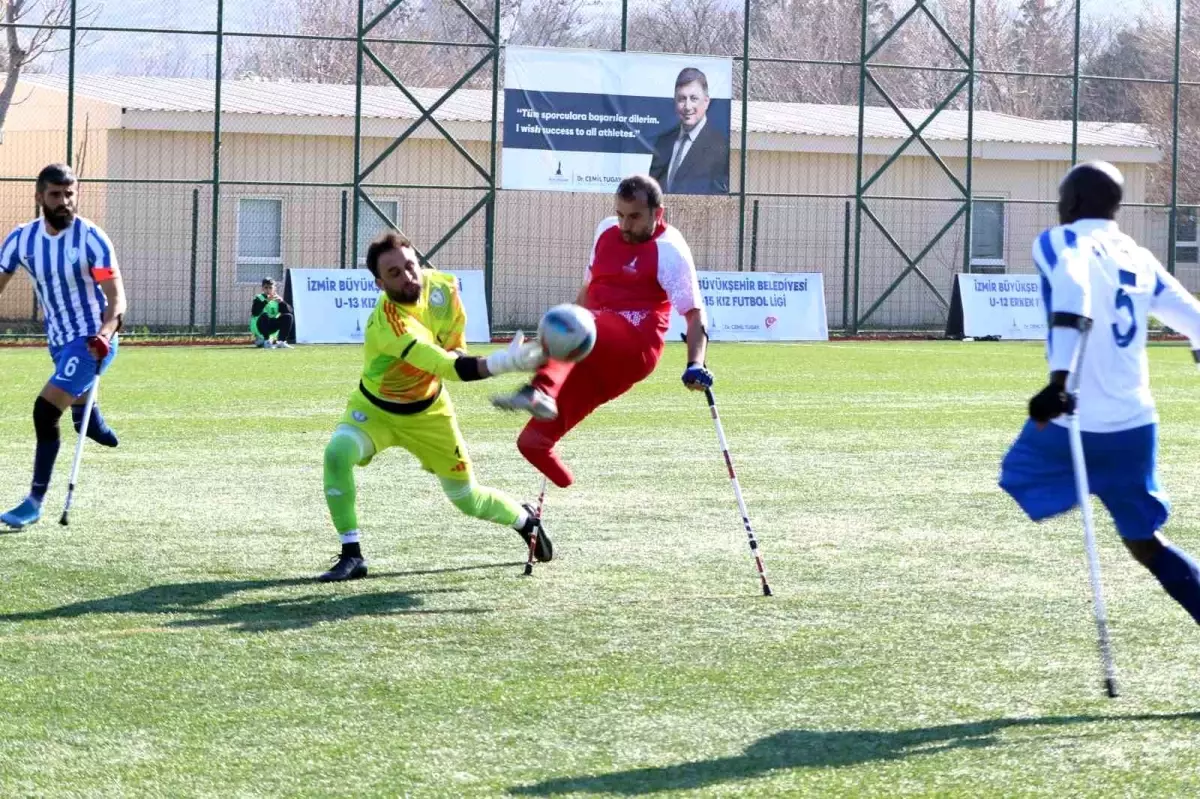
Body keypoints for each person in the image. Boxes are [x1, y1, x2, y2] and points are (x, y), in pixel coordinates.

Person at [999, 161, 1200, 626]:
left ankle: (1083, 486)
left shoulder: (1059, 240)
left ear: (1071, 202)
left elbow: (1073, 290)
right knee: (1145, 543)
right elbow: (1192, 316)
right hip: (1135, 424)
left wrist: (1058, 381)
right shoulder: (1138, 255)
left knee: (1018, 475)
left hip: (1077, 422)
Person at [319, 231, 552, 582]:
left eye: (410, 265)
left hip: (430, 413)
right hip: (376, 410)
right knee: (337, 453)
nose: (407, 276)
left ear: (419, 262)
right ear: (380, 284)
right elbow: (446, 366)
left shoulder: (443, 288)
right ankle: (352, 555)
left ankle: (525, 520)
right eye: (394, 273)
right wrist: (503, 363)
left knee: (467, 498)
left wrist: (492, 362)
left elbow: (454, 353)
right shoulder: (390, 324)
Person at [492, 174, 714, 489]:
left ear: (658, 213)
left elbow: (694, 313)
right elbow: (589, 287)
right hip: (590, 347)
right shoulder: (605, 231)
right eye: (621, 214)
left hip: (634, 344)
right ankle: (546, 508)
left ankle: (534, 382)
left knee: (578, 324)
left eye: (635, 217)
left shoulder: (670, 250)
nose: (625, 225)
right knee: (531, 443)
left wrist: (695, 364)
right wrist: (565, 323)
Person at [0, 163, 126, 529]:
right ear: (40, 197)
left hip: (91, 342)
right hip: (57, 341)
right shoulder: (22, 239)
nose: (64, 201)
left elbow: (116, 300)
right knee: (76, 413)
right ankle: (90, 419)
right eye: (55, 194)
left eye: (69, 194)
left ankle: (34, 501)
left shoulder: (92, 239)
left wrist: (104, 334)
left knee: (44, 410)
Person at [648, 67, 730, 195]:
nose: (687, 106)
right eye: (682, 99)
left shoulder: (720, 148)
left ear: (706, 102)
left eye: (693, 98)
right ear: (675, 102)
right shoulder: (663, 141)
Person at [250, 277, 293, 349]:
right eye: (266, 288)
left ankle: (281, 342)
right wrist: (266, 301)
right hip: (259, 327)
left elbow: (289, 311)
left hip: (271, 326)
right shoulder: (258, 298)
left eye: (270, 288)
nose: (268, 290)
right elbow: (255, 312)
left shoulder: (277, 299)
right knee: (264, 315)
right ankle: (266, 341)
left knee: (288, 316)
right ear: (262, 289)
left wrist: (282, 303)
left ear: (274, 288)